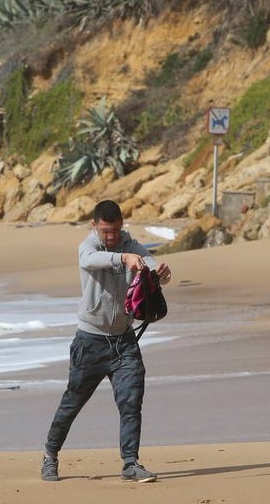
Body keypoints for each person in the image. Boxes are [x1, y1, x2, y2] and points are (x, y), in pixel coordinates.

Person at [41, 199, 172, 483]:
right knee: (72, 402)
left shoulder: (132, 246)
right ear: (94, 226)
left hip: (124, 341)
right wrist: (122, 258)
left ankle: (130, 463)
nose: (111, 237)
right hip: (90, 341)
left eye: (115, 230)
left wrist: (160, 274)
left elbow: (149, 266)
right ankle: (50, 456)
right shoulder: (88, 246)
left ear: (122, 225)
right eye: (105, 231)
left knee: (131, 401)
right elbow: (89, 261)